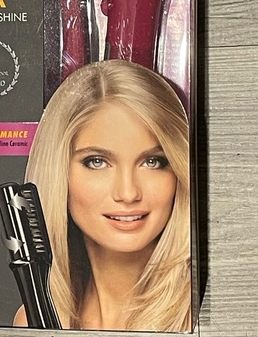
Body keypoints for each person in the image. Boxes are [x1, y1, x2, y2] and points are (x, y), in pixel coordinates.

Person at [14, 59, 191, 332]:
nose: (128, 193)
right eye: (97, 162)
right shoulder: (35, 320)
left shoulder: (196, 313)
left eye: (153, 162)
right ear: (58, 171)